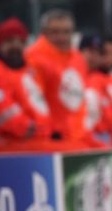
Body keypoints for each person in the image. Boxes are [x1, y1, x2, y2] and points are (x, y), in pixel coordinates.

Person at [0, 18, 85, 153]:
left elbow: (38, 108)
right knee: (75, 150)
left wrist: (50, 131)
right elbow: (9, 119)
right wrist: (41, 131)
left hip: (28, 140)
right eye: (9, 41)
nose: (16, 46)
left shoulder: (25, 71)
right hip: (0, 144)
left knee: (79, 147)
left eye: (21, 42)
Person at [24, 9, 95, 146]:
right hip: (54, 137)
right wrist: (50, 131)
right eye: (55, 32)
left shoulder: (77, 58)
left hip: (80, 134)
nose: (62, 37)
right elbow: (33, 101)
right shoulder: (33, 58)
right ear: (44, 32)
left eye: (66, 32)